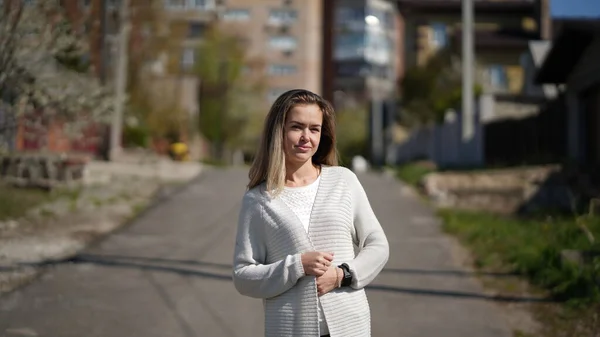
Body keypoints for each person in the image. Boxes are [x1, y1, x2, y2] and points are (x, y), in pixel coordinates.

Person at [232, 89, 389, 337]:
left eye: (314, 129)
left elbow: (377, 244)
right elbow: (243, 276)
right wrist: (296, 266)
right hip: (290, 329)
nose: (306, 137)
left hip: (349, 326)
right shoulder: (258, 201)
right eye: (297, 127)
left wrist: (341, 275)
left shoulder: (344, 181)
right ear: (279, 131)